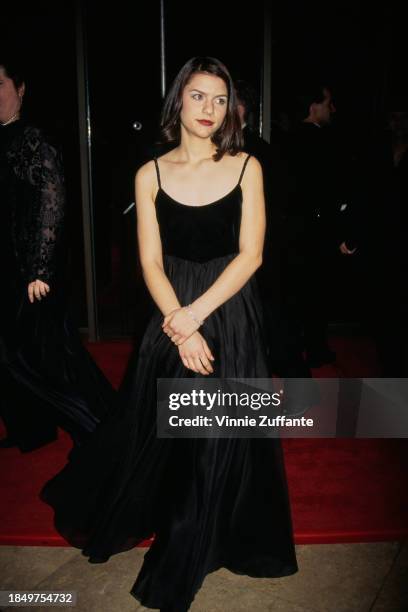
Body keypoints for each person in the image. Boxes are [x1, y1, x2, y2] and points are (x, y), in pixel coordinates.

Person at [40, 57, 298, 611]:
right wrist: (180, 328)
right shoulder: (150, 173)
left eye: (220, 99)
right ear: (178, 100)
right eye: (199, 96)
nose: (209, 109)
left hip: (227, 309)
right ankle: (178, 517)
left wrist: (196, 316)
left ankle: (194, 542)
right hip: (171, 312)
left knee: (219, 436)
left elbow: (251, 255)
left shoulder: (248, 166)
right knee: (169, 430)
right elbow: (151, 264)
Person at [0, 57, 115, 452]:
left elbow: (53, 202)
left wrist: (41, 269)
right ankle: (32, 429)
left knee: (43, 360)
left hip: (29, 273)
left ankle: (100, 431)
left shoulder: (33, 139)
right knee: (22, 357)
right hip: (7, 268)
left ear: (21, 88)